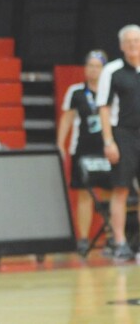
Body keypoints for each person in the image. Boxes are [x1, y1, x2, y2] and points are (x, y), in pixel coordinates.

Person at [59, 50, 108, 254]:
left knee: (110, 192)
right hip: (82, 148)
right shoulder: (76, 92)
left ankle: (112, 238)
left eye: (97, 66)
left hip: (106, 147)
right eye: (89, 65)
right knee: (84, 194)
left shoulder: (110, 90)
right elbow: (67, 118)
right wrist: (60, 145)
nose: (93, 70)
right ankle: (84, 239)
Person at [98, 26, 140, 260]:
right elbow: (103, 107)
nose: (133, 45)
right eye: (129, 41)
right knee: (121, 188)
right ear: (122, 45)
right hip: (122, 135)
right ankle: (120, 242)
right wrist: (108, 141)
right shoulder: (112, 71)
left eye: (137, 40)